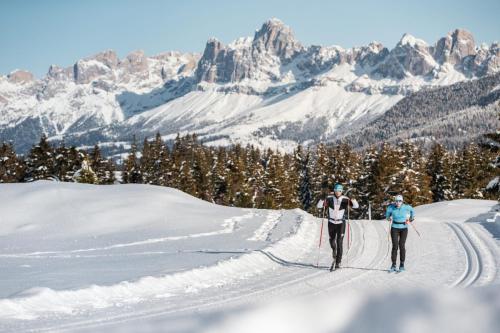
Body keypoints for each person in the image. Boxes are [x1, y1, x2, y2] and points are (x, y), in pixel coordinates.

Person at [317, 183, 358, 271]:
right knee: (332, 240)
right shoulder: (329, 198)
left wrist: (353, 199)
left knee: (339, 242)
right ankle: (334, 252)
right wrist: (321, 199)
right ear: (334, 191)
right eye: (336, 190)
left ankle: (338, 262)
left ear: (342, 191)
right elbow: (319, 206)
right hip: (331, 222)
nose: (338, 192)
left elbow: (356, 206)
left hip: (341, 223)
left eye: (339, 191)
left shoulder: (345, 199)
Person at [385, 194, 415, 272]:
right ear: (395, 201)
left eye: (400, 201)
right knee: (395, 246)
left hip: (404, 228)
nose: (398, 202)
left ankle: (402, 264)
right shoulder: (391, 207)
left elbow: (412, 210)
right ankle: (393, 265)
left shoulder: (406, 207)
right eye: (397, 201)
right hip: (394, 228)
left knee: (402, 245)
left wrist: (411, 218)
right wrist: (388, 217)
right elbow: (387, 213)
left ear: (402, 201)